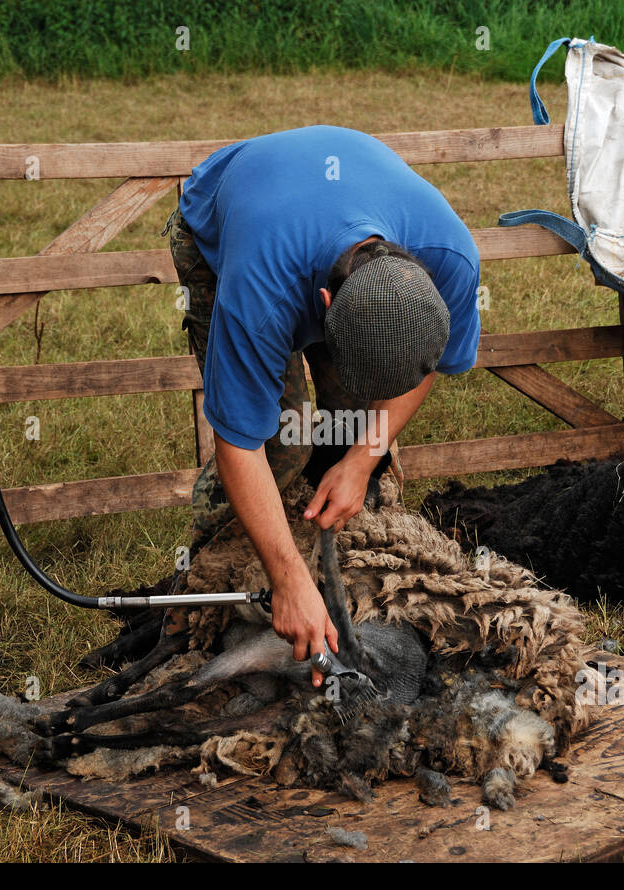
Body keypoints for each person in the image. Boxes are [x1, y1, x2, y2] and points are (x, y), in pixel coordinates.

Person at [165, 124, 480, 682]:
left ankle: (361, 585)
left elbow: (425, 370)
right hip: (223, 215)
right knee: (284, 444)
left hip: (328, 203)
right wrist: (286, 579)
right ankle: (210, 590)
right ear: (325, 306)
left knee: (356, 431)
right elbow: (238, 442)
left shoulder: (450, 259)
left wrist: (362, 459)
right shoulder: (258, 290)